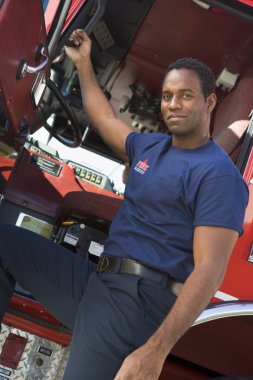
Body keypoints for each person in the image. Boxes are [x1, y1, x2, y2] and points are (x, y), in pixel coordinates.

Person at [0, 30, 248, 380]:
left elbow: (210, 270)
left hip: (138, 303)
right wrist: (84, 64)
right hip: (98, 283)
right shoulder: (151, 148)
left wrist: (155, 352)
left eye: (186, 96)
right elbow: (104, 119)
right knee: (5, 243)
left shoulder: (220, 175)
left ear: (209, 103)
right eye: (167, 96)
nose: (173, 104)